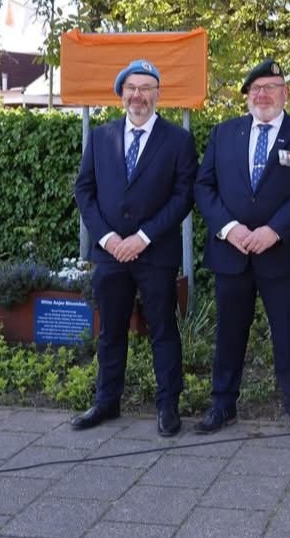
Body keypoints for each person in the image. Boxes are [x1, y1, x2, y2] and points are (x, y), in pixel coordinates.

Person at [193, 59, 290, 442]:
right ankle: (222, 404)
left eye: (271, 87)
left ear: (285, 93)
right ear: (247, 97)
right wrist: (230, 229)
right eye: (256, 89)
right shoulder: (223, 134)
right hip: (232, 253)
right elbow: (204, 187)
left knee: (289, 335)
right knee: (229, 333)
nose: (263, 94)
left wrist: (274, 231)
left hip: (282, 254)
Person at [73, 59, 197, 437]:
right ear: (121, 94)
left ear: (158, 94)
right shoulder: (101, 136)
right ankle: (107, 402)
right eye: (132, 88)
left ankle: (167, 407)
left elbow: (183, 196)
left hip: (155, 253)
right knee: (111, 332)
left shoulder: (178, 140)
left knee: (163, 331)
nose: (138, 95)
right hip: (110, 253)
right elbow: (85, 191)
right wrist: (108, 239)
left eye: (146, 88)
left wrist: (142, 238)